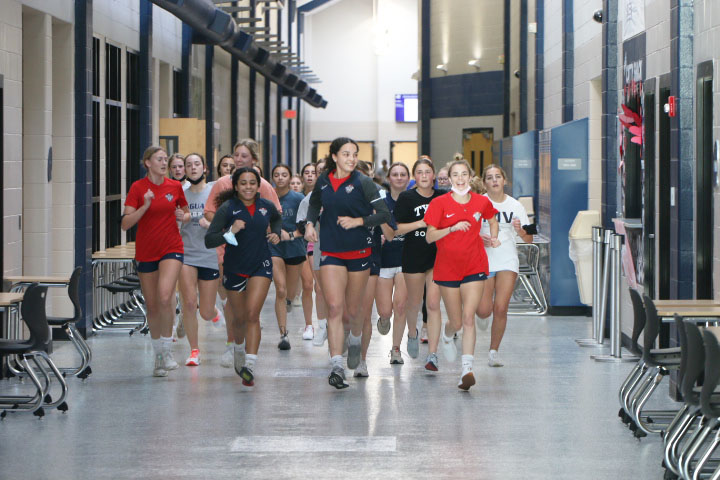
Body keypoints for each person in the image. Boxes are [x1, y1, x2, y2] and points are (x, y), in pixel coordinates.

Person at [304, 137, 390, 389]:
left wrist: (360, 222)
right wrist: (310, 224)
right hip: (331, 251)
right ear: (334, 157)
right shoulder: (323, 181)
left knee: (353, 312)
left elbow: (384, 215)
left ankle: (355, 339)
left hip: (359, 253)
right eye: (346, 154)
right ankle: (337, 366)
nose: (351, 158)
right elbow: (314, 204)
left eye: (354, 154)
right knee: (334, 307)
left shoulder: (364, 183)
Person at [204, 139, 281, 368]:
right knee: (238, 317)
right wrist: (231, 230)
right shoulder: (228, 208)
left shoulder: (266, 204)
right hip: (234, 264)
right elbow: (210, 239)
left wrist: (276, 233)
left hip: (261, 264)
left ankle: (250, 362)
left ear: (259, 185)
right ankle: (237, 347)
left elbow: (277, 217)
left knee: (252, 314)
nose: (248, 187)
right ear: (235, 186)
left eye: (252, 183)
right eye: (243, 183)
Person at [424, 159, 500, 391]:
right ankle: (448, 335)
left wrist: (494, 236)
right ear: (449, 178)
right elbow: (429, 237)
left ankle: (466, 369)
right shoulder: (439, 203)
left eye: (463, 174)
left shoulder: (480, 201)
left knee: (469, 317)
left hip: (475, 266)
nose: (459, 179)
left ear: (470, 176)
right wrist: (451, 228)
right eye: (455, 175)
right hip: (447, 268)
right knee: (456, 321)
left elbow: (492, 219)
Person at [121, 146, 190, 377]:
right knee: (151, 305)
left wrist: (184, 216)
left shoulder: (175, 186)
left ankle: (167, 350)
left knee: (164, 296)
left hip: (172, 247)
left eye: (166, 160)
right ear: (147, 162)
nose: (164, 163)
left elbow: (186, 212)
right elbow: (125, 223)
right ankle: (158, 355)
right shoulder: (138, 188)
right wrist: (145, 206)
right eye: (159, 159)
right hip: (146, 250)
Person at [475, 164, 533, 367]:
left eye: (498, 176)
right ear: (484, 183)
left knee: (501, 307)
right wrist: (479, 238)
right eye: (489, 177)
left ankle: (493, 352)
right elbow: (468, 231)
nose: (494, 180)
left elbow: (528, 238)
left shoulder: (515, 205)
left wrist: (520, 230)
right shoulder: (479, 203)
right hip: (484, 259)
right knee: (484, 310)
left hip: (507, 259)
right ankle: (481, 315)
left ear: (504, 180)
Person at [393, 158, 444, 370]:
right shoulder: (406, 197)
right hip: (413, 256)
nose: (424, 175)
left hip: (437, 257)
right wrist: (421, 223)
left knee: (432, 304)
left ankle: (433, 353)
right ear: (415, 177)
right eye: (419, 172)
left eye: (427, 172)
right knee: (414, 303)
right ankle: (412, 333)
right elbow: (397, 229)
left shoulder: (443, 197)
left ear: (434, 176)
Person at [177, 153, 223, 366]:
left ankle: (213, 313)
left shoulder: (213, 192)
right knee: (188, 302)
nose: (193, 167)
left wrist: (211, 225)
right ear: (184, 170)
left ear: (204, 168)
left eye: (197, 164)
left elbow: (224, 221)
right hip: (186, 254)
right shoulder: (181, 193)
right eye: (189, 165)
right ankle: (194, 350)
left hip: (209, 253)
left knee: (204, 311)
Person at [270, 164, 310, 349]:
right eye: (276, 175)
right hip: (273, 247)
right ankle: (283, 334)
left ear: (289, 177)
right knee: (280, 289)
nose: (280, 178)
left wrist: (292, 235)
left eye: (284, 174)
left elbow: (307, 224)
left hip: (294, 248)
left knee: (290, 294)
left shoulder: (298, 198)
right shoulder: (267, 198)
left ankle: (287, 301)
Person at [376, 163, 410, 365]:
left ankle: (396, 348)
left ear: (408, 178)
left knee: (401, 305)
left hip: (406, 260)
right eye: (395, 174)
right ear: (389, 178)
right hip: (383, 260)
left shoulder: (413, 201)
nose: (398, 178)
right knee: (386, 310)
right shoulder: (381, 201)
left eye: (402, 174)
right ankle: (383, 319)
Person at [352, 161, 384, 377]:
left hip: (371, 256)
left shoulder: (378, 200)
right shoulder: (339, 199)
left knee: (365, 312)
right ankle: (347, 342)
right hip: (343, 258)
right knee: (347, 312)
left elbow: (388, 227)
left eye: (368, 177)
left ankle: (362, 359)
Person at [296, 160, 329, 347]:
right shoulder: (310, 199)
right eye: (319, 171)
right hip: (315, 245)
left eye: (325, 170)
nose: (321, 173)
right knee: (319, 287)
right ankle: (322, 326)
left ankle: (341, 326)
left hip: (340, 246)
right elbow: (301, 222)